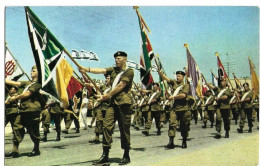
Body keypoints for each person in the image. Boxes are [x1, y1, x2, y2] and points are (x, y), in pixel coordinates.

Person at [79, 51, 134, 165]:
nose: (116, 60)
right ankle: (105, 155)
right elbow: (101, 70)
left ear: (125, 59)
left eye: (119, 58)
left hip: (124, 104)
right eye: (115, 58)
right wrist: (86, 69)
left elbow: (121, 85)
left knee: (124, 129)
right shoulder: (113, 70)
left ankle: (126, 154)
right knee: (106, 126)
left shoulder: (129, 71)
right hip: (112, 104)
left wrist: (107, 95)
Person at [5, 65, 42, 157]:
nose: (31, 72)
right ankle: (15, 150)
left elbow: (27, 94)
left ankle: (36, 149)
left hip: (32, 110)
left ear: (39, 73)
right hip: (23, 110)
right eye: (31, 70)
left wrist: (15, 98)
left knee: (33, 131)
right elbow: (14, 82)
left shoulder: (38, 84)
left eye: (34, 70)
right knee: (17, 128)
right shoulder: (28, 83)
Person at [158, 70, 190, 149]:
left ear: (183, 77)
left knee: (184, 126)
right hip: (174, 109)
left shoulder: (186, 85)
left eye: (179, 76)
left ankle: (184, 141)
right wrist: (161, 74)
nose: (178, 77)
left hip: (183, 109)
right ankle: (171, 142)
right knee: (172, 124)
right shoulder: (174, 83)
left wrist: (173, 97)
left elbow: (183, 95)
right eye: (177, 76)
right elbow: (167, 79)